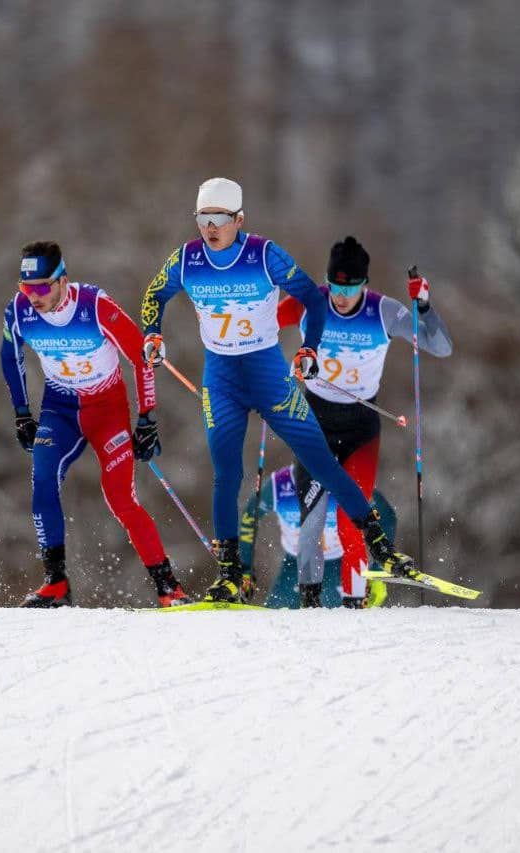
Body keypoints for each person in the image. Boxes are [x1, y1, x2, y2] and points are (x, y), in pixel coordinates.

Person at [138, 177, 417, 603]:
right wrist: (152, 335)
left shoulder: (264, 255)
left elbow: (313, 298)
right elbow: (154, 295)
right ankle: (230, 574)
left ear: (239, 219)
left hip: (268, 374)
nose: (210, 227)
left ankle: (381, 545)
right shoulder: (186, 260)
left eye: (220, 219)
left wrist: (308, 348)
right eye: (203, 218)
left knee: (320, 461)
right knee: (227, 474)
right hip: (222, 379)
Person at [1, 240, 187, 608]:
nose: (33, 296)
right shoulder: (19, 312)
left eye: (41, 287)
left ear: (62, 281)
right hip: (60, 408)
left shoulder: (95, 306)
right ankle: (56, 584)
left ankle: (169, 589)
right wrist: (22, 412)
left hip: (107, 410)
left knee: (120, 499)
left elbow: (140, 357)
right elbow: (10, 358)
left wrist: (147, 417)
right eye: (26, 288)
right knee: (42, 480)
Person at [276, 235, 453, 605]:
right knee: (312, 513)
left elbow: (439, 346)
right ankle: (309, 602)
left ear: (364, 284)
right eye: (335, 285)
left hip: (361, 429)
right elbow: (260, 325)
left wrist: (425, 306)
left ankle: (354, 602)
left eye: (350, 287)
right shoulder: (311, 302)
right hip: (315, 422)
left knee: (351, 518)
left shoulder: (383, 312)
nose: (340, 296)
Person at [239, 464, 395, 608]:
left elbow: (387, 517)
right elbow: (249, 517)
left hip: (339, 566)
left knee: (342, 626)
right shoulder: (279, 485)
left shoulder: (344, 482)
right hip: (296, 565)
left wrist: (378, 572)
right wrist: (245, 569)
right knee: (276, 624)